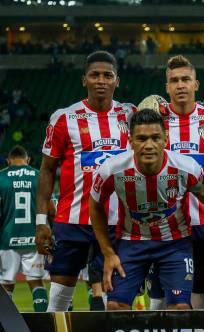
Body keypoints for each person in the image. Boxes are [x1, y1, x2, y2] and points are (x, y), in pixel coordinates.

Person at [36, 51, 135, 311]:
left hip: (118, 222)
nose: (101, 80)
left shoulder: (130, 115)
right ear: (84, 80)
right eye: (95, 75)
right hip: (72, 220)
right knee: (58, 299)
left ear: (117, 81)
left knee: (115, 298)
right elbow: (47, 170)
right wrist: (41, 221)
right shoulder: (64, 117)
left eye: (107, 75)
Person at [89, 109, 204, 310]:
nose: (149, 145)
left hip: (175, 244)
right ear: (130, 140)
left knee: (180, 309)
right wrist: (108, 253)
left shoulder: (188, 168)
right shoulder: (111, 170)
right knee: (116, 307)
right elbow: (95, 205)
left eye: (155, 138)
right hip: (131, 243)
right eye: (141, 139)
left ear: (165, 139)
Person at [138, 55, 204, 310]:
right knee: (159, 297)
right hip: (162, 222)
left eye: (185, 79)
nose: (180, 85)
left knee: (202, 292)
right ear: (167, 87)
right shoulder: (156, 121)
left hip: (201, 222)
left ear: (196, 84)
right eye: (174, 80)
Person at [0, 145, 48, 311]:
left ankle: (5, 330)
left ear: (8, 161)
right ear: (28, 160)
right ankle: (44, 327)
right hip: (35, 238)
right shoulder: (39, 176)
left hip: (7, 239)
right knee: (36, 282)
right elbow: (52, 210)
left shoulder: (1, 177)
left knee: (6, 285)